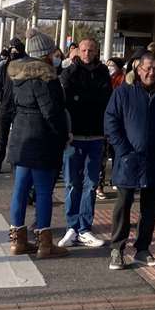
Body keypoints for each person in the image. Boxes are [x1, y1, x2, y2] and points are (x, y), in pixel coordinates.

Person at [104, 50, 155, 270]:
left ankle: (143, 249)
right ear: (138, 69)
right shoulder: (123, 92)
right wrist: (123, 149)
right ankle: (117, 249)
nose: (151, 72)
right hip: (128, 160)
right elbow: (111, 121)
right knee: (123, 204)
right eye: (147, 68)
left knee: (150, 208)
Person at [5, 31, 70, 260]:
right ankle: (44, 243)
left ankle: (17, 240)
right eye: (52, 51)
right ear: (45, 54)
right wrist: (63, 136)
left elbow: (8, 108)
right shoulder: (46, 78)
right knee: (43, 192)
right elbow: (52, 112)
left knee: (20, 190)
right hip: (43, 140)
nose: (56, 55)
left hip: (21, 139)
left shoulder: (17, 76)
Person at [58, 37, 111, 249]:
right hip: (74, 138)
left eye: (91, 50)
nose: (87, 53)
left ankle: (84, 228)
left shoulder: (103, 74)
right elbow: (63, 105)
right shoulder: (69, 74)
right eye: (83, 50)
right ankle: (72, 226)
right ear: (77, 51)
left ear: (96, 51)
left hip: (96, 137)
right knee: (72, 183)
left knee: (90, 185)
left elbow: (108, 103)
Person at [0, 38, 21, 174]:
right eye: (11, 49)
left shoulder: (24, 66)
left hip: (19, 106)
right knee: (2, 137)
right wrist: (1, 97)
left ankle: (15, 163)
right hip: (6, 105)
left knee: (17, 137)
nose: (13, 52)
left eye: (16, 49)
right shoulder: (4, 67)